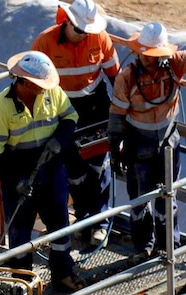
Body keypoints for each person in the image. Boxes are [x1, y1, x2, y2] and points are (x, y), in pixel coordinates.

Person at [108, 22, 186, 262]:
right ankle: (142, 248)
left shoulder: (175, 63)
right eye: (146, 56)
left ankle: (167, 246)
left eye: (154, 56)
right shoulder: (126, 78)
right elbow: (117, 114)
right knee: (139, 200)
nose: (150, 61)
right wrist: (115, 149)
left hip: (168, 143)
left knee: (167, 197)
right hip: (138, 144)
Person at [0, 51, 86, 293]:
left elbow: (70, 117)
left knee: (60, 225)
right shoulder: (0, 107)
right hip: (18, 172)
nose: (44, 89)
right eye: (39, 85)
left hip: (51, 170)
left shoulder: (52, 93)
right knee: (19, 233)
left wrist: (59, 140)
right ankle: (22, 286)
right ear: (26, 83)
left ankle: (63, 273)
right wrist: (16, 180)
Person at [31, 0, 120, 246]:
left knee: (100, 166)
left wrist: (122, 112)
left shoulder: (100, 39)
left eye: (88, 32)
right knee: (74, 171)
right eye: (80, 30)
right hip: (64, 109)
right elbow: (33, 82)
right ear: (67, 22)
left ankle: (100, 222)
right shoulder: (45, 42)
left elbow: (115, 76)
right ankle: (83, 220)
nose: (84, 36)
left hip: (95, 106)